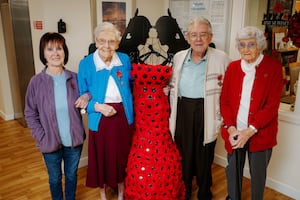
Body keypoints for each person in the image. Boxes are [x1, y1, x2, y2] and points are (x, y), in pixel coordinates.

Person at [169, 17, 231, 200]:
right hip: (183, 109)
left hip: (208, 109)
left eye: (203, 35)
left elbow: (229, 89)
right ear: (187, 37)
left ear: (210, 36)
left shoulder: (222, 58)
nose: (198, 39)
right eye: (193, 35)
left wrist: (222, 117)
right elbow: (171, 85)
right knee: (183, 153)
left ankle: (205, 191)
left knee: (205, 153)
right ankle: (185, 190)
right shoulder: (179, 57)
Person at [220, 26, 283, 200]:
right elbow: (224, 101)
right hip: (235, 131)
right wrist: (232, 129)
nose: (246, 49)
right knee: (232, 171)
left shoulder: (273, 67)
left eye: (251, 44)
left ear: (260, 45)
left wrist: (249, 132)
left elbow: (271, 107)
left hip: (260, 133)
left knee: (258, 175)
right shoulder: (232, 67)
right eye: (242, 45)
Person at [24, 32, 88, 200]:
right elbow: (30, 113)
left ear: (64, 51)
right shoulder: (36, 82)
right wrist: (41, 137)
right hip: (49, 142)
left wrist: (87, 96)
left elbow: (88, 94)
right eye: (50, 49)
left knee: (72, 176)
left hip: (73, 141)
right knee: (54, 179)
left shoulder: (74, 78)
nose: (55, 53)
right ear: (43, 54)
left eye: (59, 48)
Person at [124, 27, 186, 199]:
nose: (152, 34)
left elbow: (176, 80)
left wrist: (170, 89)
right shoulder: (133, 56)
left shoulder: (170, 54)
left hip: (160, 109)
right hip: (142, 109)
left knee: (163, 147)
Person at [77, 22, 133, 200]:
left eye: (111, 41)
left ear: (117, 43)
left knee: (122, 156)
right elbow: (82, 95)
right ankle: (102, 194)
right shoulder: (86, 63)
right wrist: (97, 107)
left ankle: (121, 193)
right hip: (99, 117)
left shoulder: (124, 60)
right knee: (101, 156)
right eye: (102, 41)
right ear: (95, 41)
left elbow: (133, 86)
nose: (106, 46)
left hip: (123, 116)